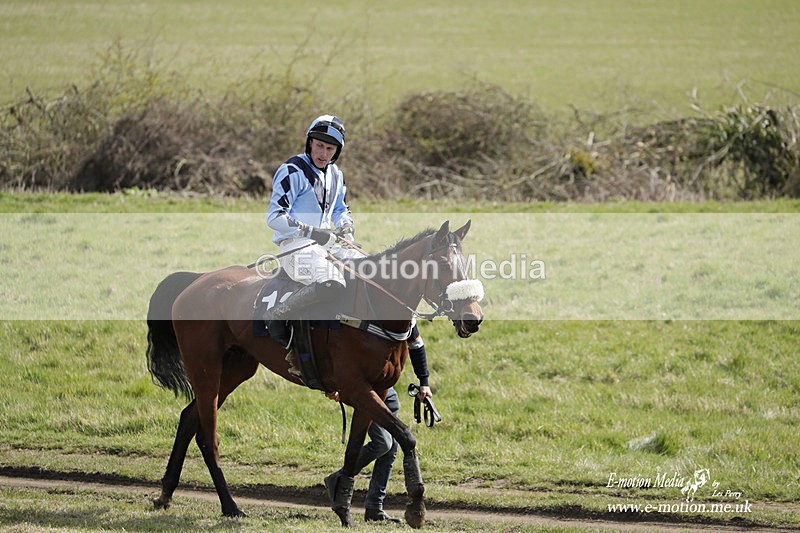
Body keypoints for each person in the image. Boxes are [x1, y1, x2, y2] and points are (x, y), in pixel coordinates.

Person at [264, 114, 359, 355]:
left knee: (367, 270)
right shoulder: (291, 170)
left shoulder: (336, 175)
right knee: (333, 282)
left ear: (336, 151)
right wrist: (313, 233)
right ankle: (279, 315)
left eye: (329, 148)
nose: (323, 153)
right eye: (319, 145)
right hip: (296, 246)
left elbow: (340, 209)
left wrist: (346, 227)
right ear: (309, 143)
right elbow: (274, 217)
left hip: (327, 245)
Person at [324, 326, 432, 523]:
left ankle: (375, 507)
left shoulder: (401, 317)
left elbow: (416, 343)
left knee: (391, 448)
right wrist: (342, 384)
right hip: (363, 390)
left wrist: (424, 381)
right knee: (383, 443)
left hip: (384, 388)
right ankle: (339, 479)